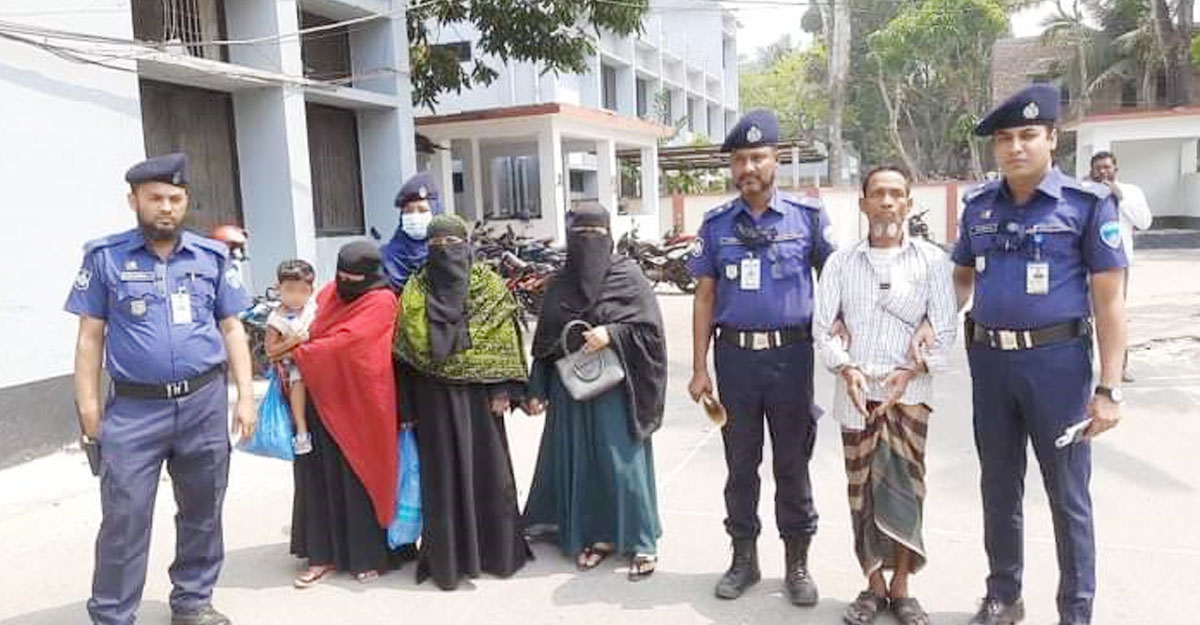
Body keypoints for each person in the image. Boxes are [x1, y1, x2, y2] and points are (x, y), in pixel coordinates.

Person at [954, 85, 1127, 625]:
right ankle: (1004, 595)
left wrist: (1109, 389)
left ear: (1052, 138)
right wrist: (921, 325)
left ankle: (1075, 611)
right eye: (1004, 138)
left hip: (1058, 366)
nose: (1015, 147)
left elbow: (1110, 302)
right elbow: (959, 279)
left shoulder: (1087, 205)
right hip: (991, 364)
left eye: (1028, 135)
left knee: (1068, 495)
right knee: (998, 486)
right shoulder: (979, 207)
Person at [65, 153, 254, 625]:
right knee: (125, 516)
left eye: (175, 198)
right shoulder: (105, 257)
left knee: (203, 508)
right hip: (135, 409)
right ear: (134, 201)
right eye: (155, 198)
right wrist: (89, 408)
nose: (166, 207)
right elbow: (90, 337)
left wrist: (246, 397)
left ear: (185, 201)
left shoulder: (211, 257)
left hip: (203, 403)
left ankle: (192, 602)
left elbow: (232, 328)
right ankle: (113, 614)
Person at [686, 108, 836, 605]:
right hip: (735, 362)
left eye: (757, 157)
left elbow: (837, 280)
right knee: (740, 464)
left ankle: (797, 564)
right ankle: (743, 560)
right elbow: (704, 297)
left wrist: (843, 337)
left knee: (792, 464)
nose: (747, 167)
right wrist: (699, 367)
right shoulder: (716, 225)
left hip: (791, 359)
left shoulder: (807, 218)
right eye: (739, 160)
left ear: (776, 159)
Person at [814, 166, 958, 625]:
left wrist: (911, 368)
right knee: (861, 493)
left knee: (906, 493)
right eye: (878, 194)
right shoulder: (840, 263)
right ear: (863, 204)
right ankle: (873, 585)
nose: (888, 202)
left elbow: (945, 329)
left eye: (897, 194)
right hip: (856, 396)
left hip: (908, 395)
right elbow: (823, 328)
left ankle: (902, 587)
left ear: (909, 204)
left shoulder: (932, 262)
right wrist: (847, 367)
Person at [524, 202, 668, 581]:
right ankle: (596, 536)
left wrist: (612, 333)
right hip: (569, 389)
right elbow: (545, 341)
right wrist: (537, 388)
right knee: (582, 464)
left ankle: (641, 541)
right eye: (580, 234)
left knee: (621, 462)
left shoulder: (628, 276)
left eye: (596, 233)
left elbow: (650, 332)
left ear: (610, 235)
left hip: (616, 390)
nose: (588, 241)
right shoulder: (561, 281)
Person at [393, 214, 531, 590]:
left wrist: (503, 391)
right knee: (441, 479)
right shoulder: (415, 290)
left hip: (481, 401)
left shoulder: (489, 286)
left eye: (452, 244)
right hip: (432, 401)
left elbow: (505, 340)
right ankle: (449, 560)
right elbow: (403, 354)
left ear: (466, 246)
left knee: (490, 474)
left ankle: (497, 553)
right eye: (436, 245)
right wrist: (407, 409)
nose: (444, 251)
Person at [289, 242, 400, 587]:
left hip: (362, 404)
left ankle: (365, 556)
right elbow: (310, 324)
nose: (346, 284)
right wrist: (299, 344)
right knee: (319, 477)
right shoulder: (329, 292)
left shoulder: (382, 300)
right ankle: (322, 555)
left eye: (354, 279)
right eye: (342, 276)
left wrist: (301, 350)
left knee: (358, 476)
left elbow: (351, 341)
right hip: (320, 397)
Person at [1088, 150, 1152, 383]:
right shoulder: (1085, 192)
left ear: (1116, 169)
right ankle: (1083, 364)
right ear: (1091, 171)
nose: (1103, 172)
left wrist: (1121, 197)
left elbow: (1144, 222)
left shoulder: (1131, 192)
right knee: (1083, 316)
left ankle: (1119, 368)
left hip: (1117, 265)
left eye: (1107, 167)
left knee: (1115, 315)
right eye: (1098, 168)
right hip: (1086, 264)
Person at [264, 259, 317, 454]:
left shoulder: (313, 309)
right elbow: (270, 350)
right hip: (294, 364)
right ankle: (301, 429)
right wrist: (293, 342)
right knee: (298, 380)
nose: (296, 296)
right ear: (279, 289)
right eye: (290, 290)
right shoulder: (276, 318)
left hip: (317, 360)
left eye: (303, 291)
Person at [381, 171, 442, 292]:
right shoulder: (383, 259)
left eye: (422, 210)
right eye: (408, 211)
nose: (415, 217)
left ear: (436, 213)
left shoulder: (450, 254)